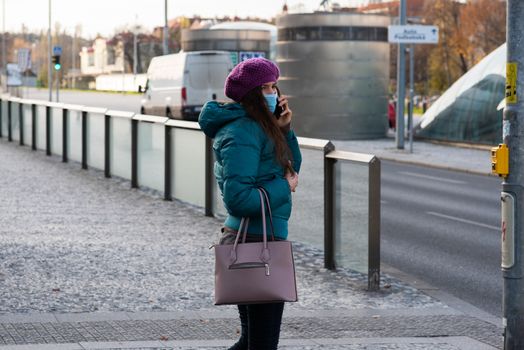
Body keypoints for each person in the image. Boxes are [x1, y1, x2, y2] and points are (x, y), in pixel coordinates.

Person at [198, 57, 302, 350]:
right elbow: (239, 199)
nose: (274, 94)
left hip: (261, 238)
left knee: (252, 342)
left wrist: (285, 129)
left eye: (274, 86)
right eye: (266, 88)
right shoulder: (241, 132)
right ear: (252, 94)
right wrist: (284, 186)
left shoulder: (260, 127)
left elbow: (292, 166)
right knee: (261, 345)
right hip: (254, 241)